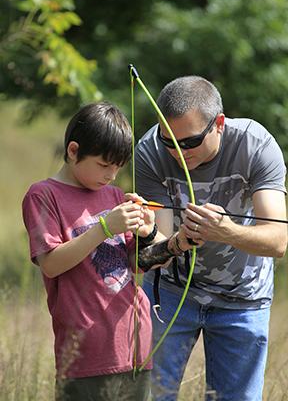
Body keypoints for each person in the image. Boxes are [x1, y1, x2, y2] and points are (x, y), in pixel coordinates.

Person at [22, 102, 193, 401]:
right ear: (74, 150)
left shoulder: (113, 195)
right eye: (104, 165)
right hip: (86, 352)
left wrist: (153, 234)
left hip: (134, 346)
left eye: (118, 167)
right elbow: (50, 264)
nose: (112, 176)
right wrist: (104, 227)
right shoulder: (43, 195)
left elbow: (136, 264)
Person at [134, 76, 287, 401]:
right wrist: (177, 240)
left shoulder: (256, 145)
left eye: (188, 142)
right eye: (169, 141)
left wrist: (225, 231)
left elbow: (278, 240)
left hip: (242, 301)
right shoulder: (149, 150)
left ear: (218, 124)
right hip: (172, 296)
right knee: (151, 396)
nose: (177, 152)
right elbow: (154, 245)